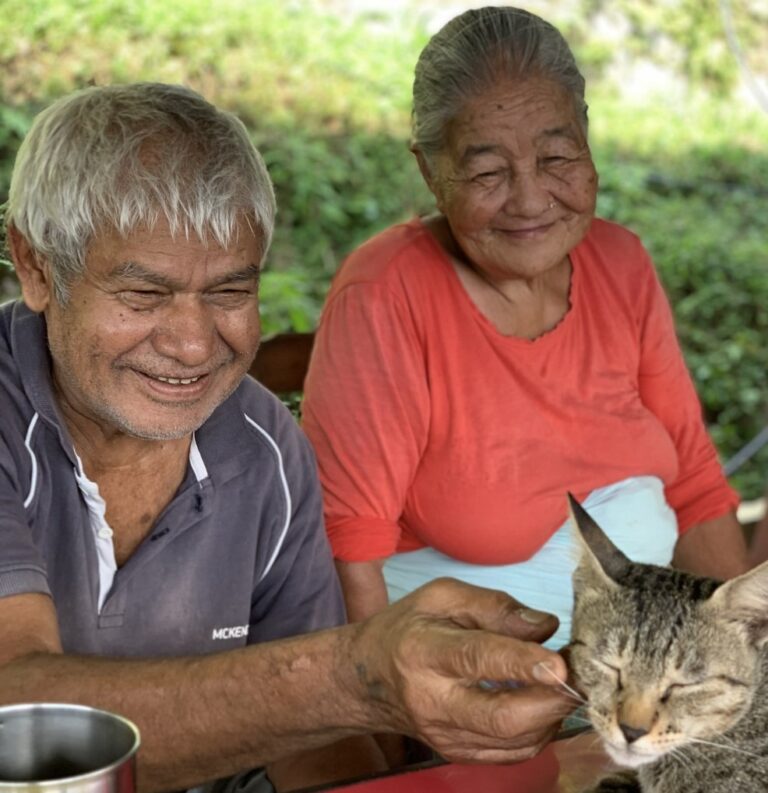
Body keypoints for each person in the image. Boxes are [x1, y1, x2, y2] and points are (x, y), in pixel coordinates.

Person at [0, 82, 574, 793]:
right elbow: (18, 716)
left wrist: (360, 691)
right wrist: (354, 675)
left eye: (230, 292)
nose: (191, 343)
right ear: (34, 266)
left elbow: (313, 749)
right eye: (143, 295)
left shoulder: (263, 445)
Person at [301, 6, 750, 647]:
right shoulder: (387, 292)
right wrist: (390, 721)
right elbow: (351, 548)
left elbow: (696, 485)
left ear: (587, 140)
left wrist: (744, 668)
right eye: (487, 172)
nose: (531, 199)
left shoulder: (620, 263)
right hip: (467, 677)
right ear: (431, 173)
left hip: (633, 674)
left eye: (557, 156)